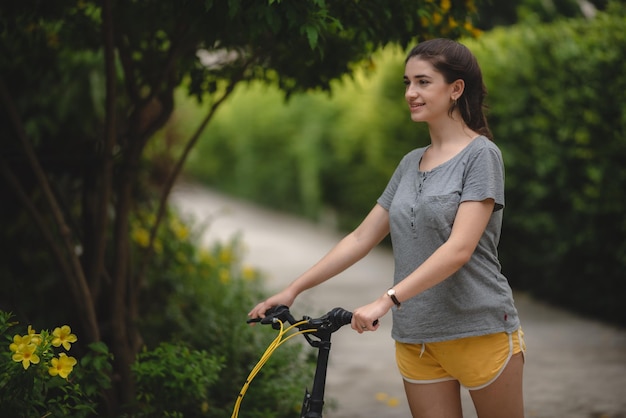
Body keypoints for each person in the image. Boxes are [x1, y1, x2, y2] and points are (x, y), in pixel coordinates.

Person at [248, 38, 525, 418]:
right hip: (416, 338)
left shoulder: (482, 156)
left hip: (479, 328)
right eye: (407, 82)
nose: (411, 93)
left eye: (424, 82)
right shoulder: (410, 163)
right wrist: (293, 290)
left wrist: (387, 299)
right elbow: (361, 237)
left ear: (456, 89)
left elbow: (459, 249)